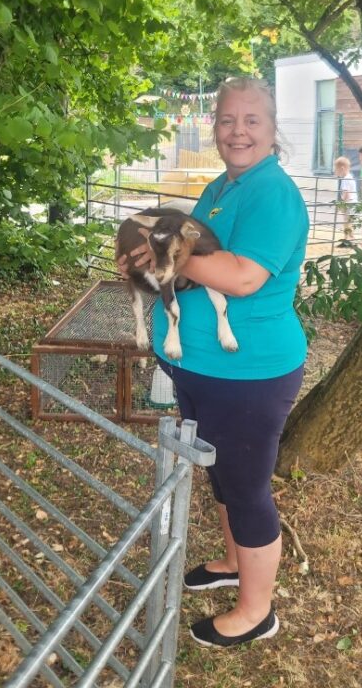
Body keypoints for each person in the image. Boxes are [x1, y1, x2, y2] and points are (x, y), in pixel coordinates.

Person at [118, 77, 309, 648]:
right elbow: (188, 259)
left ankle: (257, 611)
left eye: (251, 120)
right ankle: (231, 562)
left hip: (248, 373)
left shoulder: (273, 194)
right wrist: (148, 261)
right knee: (221, 474)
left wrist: (165, 254)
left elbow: (243, 277)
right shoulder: (221, 187)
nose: (237, 131)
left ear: (272, 129)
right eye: (227, 120)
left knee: (246, 489)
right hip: (202, 367)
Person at [334, 155, 358, 241]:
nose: (335, 171)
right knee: (349, 221)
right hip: (353, 202)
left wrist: (343, 204)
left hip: (348, 203)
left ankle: (347, 238)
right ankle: (351, 236)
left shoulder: (345, 179)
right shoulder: (350, 177)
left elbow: (346, 193)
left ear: (342, 168)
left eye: (336, 169)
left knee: (346, 221)